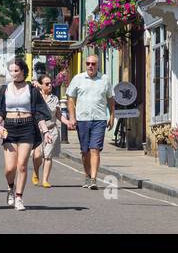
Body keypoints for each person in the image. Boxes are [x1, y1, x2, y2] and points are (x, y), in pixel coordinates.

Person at [0, 59, 51, 211]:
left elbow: (39, 113)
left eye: (16, 71)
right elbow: (0, 110)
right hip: (10, 128)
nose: (13, 74)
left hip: (27, 127)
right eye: (11, 71)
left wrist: (45, 131)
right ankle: (10, 188)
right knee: (9, 168)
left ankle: (19, 197)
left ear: (23, 71)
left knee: (22, 165)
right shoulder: (5, 89)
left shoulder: (32, 90)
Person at [66, 53, 114, 189]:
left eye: (93, 64)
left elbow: (111, 99)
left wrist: (111, 116)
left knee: (95, 149)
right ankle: (87, 175)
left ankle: (93, 179)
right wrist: (72, 116)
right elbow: (71, 98)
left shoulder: (105, 79)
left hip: (99, 119)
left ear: (97, 65)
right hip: (83, 120)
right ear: (85, 65)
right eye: (88, 64)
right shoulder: (78, 79)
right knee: (85, 151)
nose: (90, 66)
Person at [29, 74, 68, 188]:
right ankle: (36, 172)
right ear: (40, 85)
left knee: (48, 155)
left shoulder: (54, 98)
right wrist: (33, 85)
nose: (50, 85)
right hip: (38, 131)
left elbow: (59, 115)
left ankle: (45, 180)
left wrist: (68, 122)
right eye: (47, 84)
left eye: (50, 83)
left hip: (51, 130)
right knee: (37, 155)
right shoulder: (35, 96)